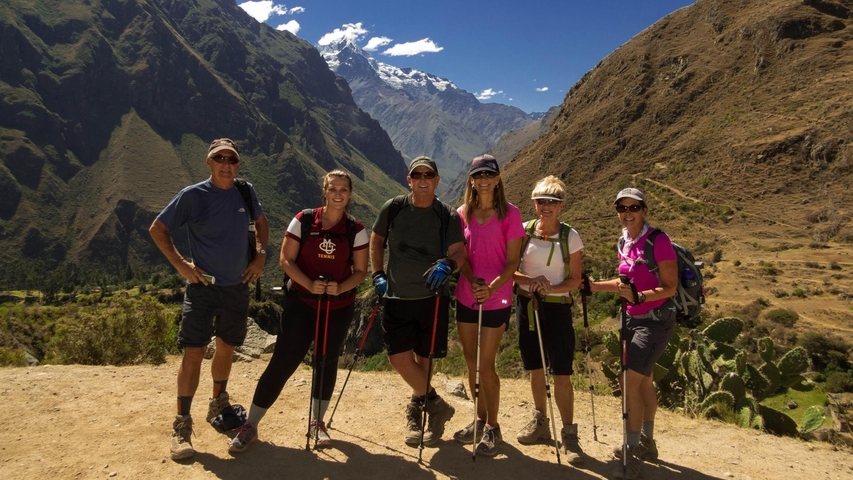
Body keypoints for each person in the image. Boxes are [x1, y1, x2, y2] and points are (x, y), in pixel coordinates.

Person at [229, 169, 369, 452]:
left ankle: (317, 424)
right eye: (333, 189)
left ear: (350, 193)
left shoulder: (356, 229)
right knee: (283, 362)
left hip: (337, 307)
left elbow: (361, 271)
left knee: (326, 362)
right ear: (324, 191)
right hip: (302, 304)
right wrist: (309, 284)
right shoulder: (304, 220)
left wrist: (340, 288)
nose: (338, 194)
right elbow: (285, 260)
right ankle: (251, 425)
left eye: (343, 189)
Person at [149, 138, 269, 461]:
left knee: (227, 345)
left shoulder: (246, 191)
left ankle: (218, 404)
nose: (226, 164)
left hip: (236, 287)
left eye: (232, 158)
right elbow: (158, 229)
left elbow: (262, 223)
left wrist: (260, 256)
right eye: (220, 158)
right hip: (203, 287)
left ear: (238, 164)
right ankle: (181, 425)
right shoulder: (193, 196)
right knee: (194, 351)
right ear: (209, 162)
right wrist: (181, 265)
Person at [369, 156, 467, 447]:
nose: (423, 180)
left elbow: (459, 252)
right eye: (417, 175)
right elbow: (376, 240)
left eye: (429, 175)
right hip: (396, 295)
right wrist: (377, 274)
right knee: (398, 358)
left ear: (437, 181)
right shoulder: (394, 208)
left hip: (432, 299)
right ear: (408, 180)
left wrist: (448, 265)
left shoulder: (446, 215)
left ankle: (420, 411)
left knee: (425, 360)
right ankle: (436, 404)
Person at [585, 187, 678, 480]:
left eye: (633, 207)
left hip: (655, 321)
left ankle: (633, 447)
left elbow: (670, 286)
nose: (627, 213)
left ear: (644, 210)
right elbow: (625, 283)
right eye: (622, 208)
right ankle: (648, 443)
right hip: (632, 319)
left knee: (628, 381)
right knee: (644, 381)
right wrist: (594, 286)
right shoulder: (624, 241)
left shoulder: (658, 241)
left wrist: (640, 297)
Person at [451, 155, 524, 456]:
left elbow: (512, 261)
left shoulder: (511, 214)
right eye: (478, 174)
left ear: (497, 179)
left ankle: (494, 426)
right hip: (467, 294)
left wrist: (491, 287)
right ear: (471, 179)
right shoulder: (462, 214)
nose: (483, 179)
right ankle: (479, 420)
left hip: (497, 298)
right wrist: (472, 280)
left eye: (489, 175)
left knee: (485, 364)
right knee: (470, 361)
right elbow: (461, 255)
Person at [512, 175, 587, 465]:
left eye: (552, 202)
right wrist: (533, 281)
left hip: (557, 308)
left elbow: (576, 279)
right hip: (527, 305)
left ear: (562, 206)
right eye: (541, 201)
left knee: (561, 372)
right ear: (533, 203)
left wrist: (552, 288)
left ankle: (569, 435)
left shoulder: (571, 237)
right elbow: (510, 271)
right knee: (535, 367)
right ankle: (541, 421)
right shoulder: (523, 232)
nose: (546, 207)